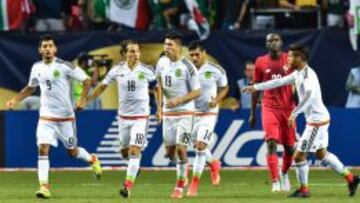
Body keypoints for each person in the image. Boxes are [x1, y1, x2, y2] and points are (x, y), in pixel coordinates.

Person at [243, 43, 360, 198]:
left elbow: (309, 96)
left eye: (291, 56)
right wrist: (256, 87)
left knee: (298, 156)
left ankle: (304, 190)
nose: (288, 58)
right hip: (320, 119)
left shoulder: (307, 75)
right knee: (321, 154)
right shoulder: (298, 73)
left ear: (300, 58)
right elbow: (278, 82)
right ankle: (351, 178)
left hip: (316, 121)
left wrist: (294, 114)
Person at [5, 34, 102, 199]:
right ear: (40, 50)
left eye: (50, 46)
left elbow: (86, 80)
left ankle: (92, 159)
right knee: (42, 148)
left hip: (66, 119)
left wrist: (82, 99)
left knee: (72, 152)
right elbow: (31, 87)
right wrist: (15, 99)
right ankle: (44, 187)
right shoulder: (36, 68)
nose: (47, 49)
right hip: (46, 118)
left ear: (55, 49)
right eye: (44, 46)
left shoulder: (64, 66)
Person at [87, 40, 156, 199]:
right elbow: (103, 86)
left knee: (134, 150)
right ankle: (135, 166)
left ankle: (127, 186)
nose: (135, 54)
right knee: (125, 153)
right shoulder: (117, 70)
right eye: (131, 51)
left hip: (141, 117)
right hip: (123, 118)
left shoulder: (147, 70)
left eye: (137, 51)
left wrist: (159, 107)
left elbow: (158, 86)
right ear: (124, 54)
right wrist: (87, 100)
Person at [154, 31, 201, 199]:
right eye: (165, 44)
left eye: (170, 45)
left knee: (181, 148)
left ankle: (180, 185)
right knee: (170, 152)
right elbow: (158, 86)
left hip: (185, 112)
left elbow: (197, 91)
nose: (166, 48)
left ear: (179, 47)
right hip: (168, 113)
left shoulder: (188, 66)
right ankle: (183, 165)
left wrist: (179, 100)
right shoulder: (161, 63)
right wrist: (159, 108)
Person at [250, 33, 296, 192]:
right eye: (270, 40)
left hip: (288, 109)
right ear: (266, 44)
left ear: (281, 42)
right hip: (269, 107)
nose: (273, 43)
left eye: (276, 40)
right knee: (271, 144)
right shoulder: (260, 62)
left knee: (290, 148)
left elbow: (297, 84)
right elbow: (255, 89)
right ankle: (275, 181)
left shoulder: (290, 60)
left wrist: (298, 106)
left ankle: (284, 173)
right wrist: (252, 113)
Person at [186, 41, 228, 197]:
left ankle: (194, 185)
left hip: (209, 113)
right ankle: (214, 164)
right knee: (196, 146)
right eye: (192, 55)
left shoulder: (216, 69)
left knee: (200, 145)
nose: (194, 58)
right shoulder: (186, 69)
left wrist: (217, 100)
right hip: (190, 113)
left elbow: (225, 88)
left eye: (197, 54)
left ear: (204, 53)